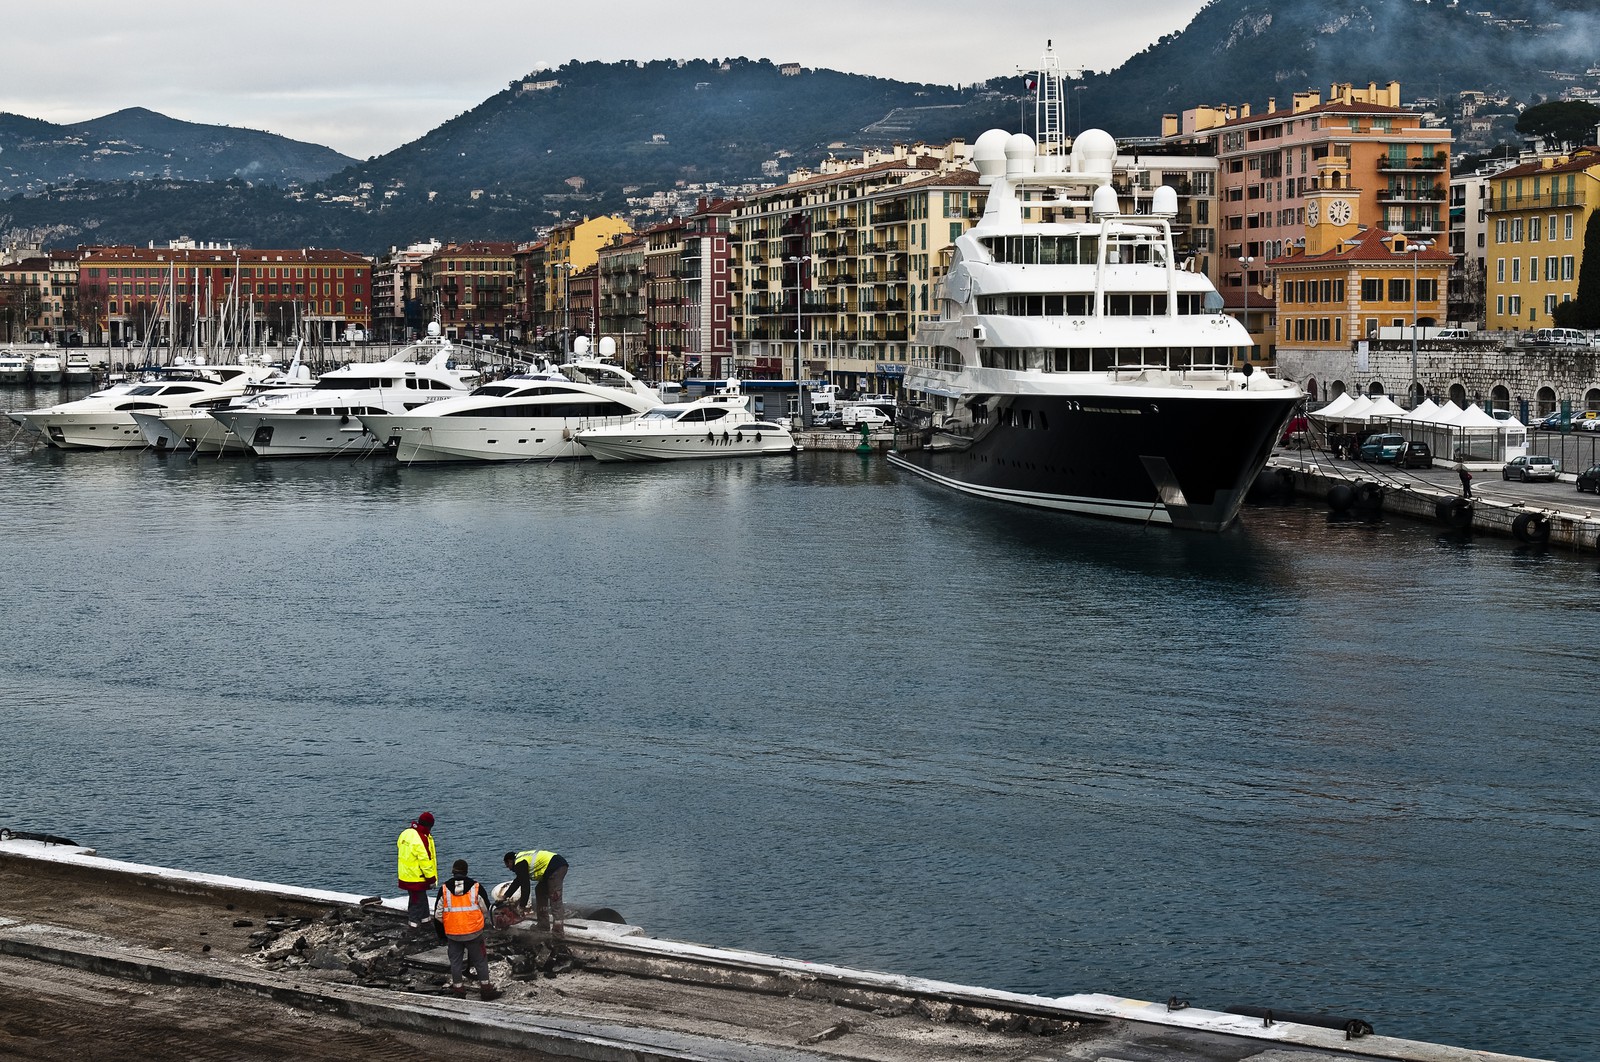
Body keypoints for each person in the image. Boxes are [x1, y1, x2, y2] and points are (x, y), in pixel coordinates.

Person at [435, 859, 502, 1001]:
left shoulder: (444, 889)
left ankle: (459, 991)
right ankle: (486, 990)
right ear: (466, 871)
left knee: (456, 962)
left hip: (453, 934)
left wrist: (446, 928)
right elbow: (486, 909)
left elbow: (438, 915)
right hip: (474, 933)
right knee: (480, 961)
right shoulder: (476, 887)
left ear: (453, 872)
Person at [502, 848, 569, 936]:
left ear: (510, 861)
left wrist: (522, 906)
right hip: (549, 870)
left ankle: (558, 931)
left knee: (555, 898)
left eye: (508, 865)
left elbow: (525, 887)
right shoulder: (521, 860)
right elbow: (518, 881)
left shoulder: (520, 863)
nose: (509, 868)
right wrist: (505, 896)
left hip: (557, 867)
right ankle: (543, 925)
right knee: (540, 891)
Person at [396, 812, 438, 928]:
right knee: (417, 901)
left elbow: (399, 845)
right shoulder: (421, 838)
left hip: (405, 875)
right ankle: (413, 926)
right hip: (417, 877)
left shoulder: (406, 833)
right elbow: (425, 861)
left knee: (420, 898)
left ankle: (425, 921)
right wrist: (431, 879)